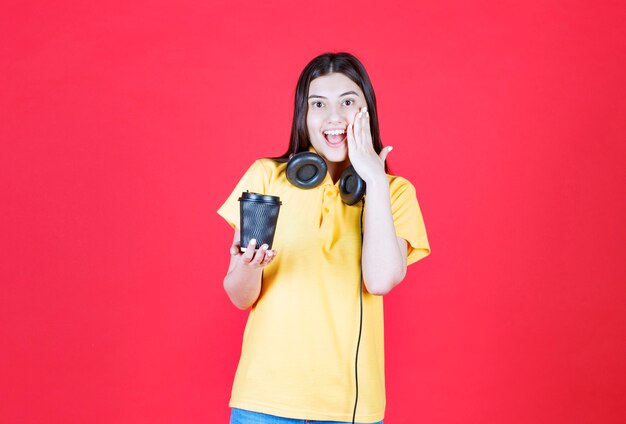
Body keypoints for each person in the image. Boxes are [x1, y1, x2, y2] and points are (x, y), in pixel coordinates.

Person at [217, 52, 431, 424]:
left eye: (348, 102)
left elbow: (380, 280)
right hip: (264, 403)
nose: (334, 118)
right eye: (318, 105)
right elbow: (240, 296)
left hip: (349, 409)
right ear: (304, 115)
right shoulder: (266, 178)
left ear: (367, 112)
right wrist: (249, 268)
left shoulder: (394, 192)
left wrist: (375, 179)